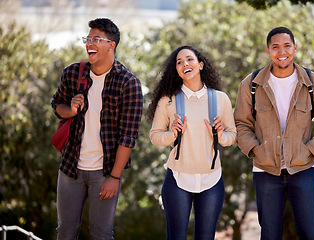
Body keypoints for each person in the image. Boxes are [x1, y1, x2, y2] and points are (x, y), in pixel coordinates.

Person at [234, 26, 314, 239]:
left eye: (286, 46)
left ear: (295, 48)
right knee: (269, 235)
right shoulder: (251, 84)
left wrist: (310, 151)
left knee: (311, 234)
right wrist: (256, 149)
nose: (281, 51)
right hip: (265, 171)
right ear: (268, 51)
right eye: (275, 47)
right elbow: (240, 124)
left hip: (303, 169)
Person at [51, 18, 143, 239]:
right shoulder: (72, 73)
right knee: (65, 231)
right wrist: (70, 110)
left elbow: (128, 137)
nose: (89, 43)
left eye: (96, 39)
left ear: (111, 45)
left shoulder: (128, 83)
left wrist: (115, 177)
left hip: (105, 172)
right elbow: (57, 106)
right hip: (70, 167)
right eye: (88, 38)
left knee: (101, 233)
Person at [148, 45, 236, 239]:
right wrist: (172, 134)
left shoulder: (220, 99)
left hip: (212, 180)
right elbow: (154, 136)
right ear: (177, 71)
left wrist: (221, 135)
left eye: (189, 59)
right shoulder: (168, 101)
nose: (185, 64)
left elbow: (232, 135)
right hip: (178, 179)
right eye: (179, 62)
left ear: (201, 65)